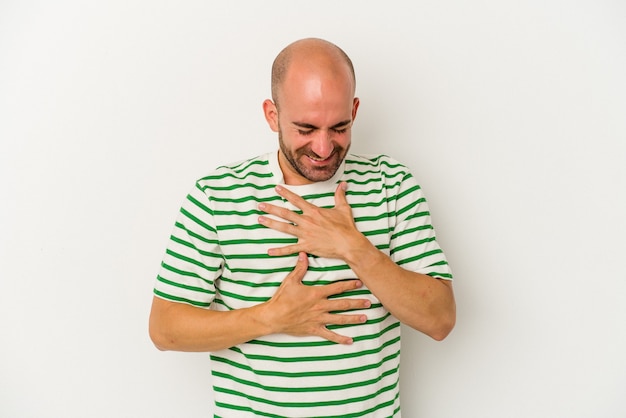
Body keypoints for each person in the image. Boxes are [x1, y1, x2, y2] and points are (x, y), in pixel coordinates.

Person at [149, 37, 455, 417]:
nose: (324, 148)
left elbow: (440, 319)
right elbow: (165, 329)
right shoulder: (217, 196)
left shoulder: (391, 184)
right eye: (306, 128)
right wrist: (273, 317)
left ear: (355, 110)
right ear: (272, 115)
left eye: (339, 127)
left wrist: (352, 247)